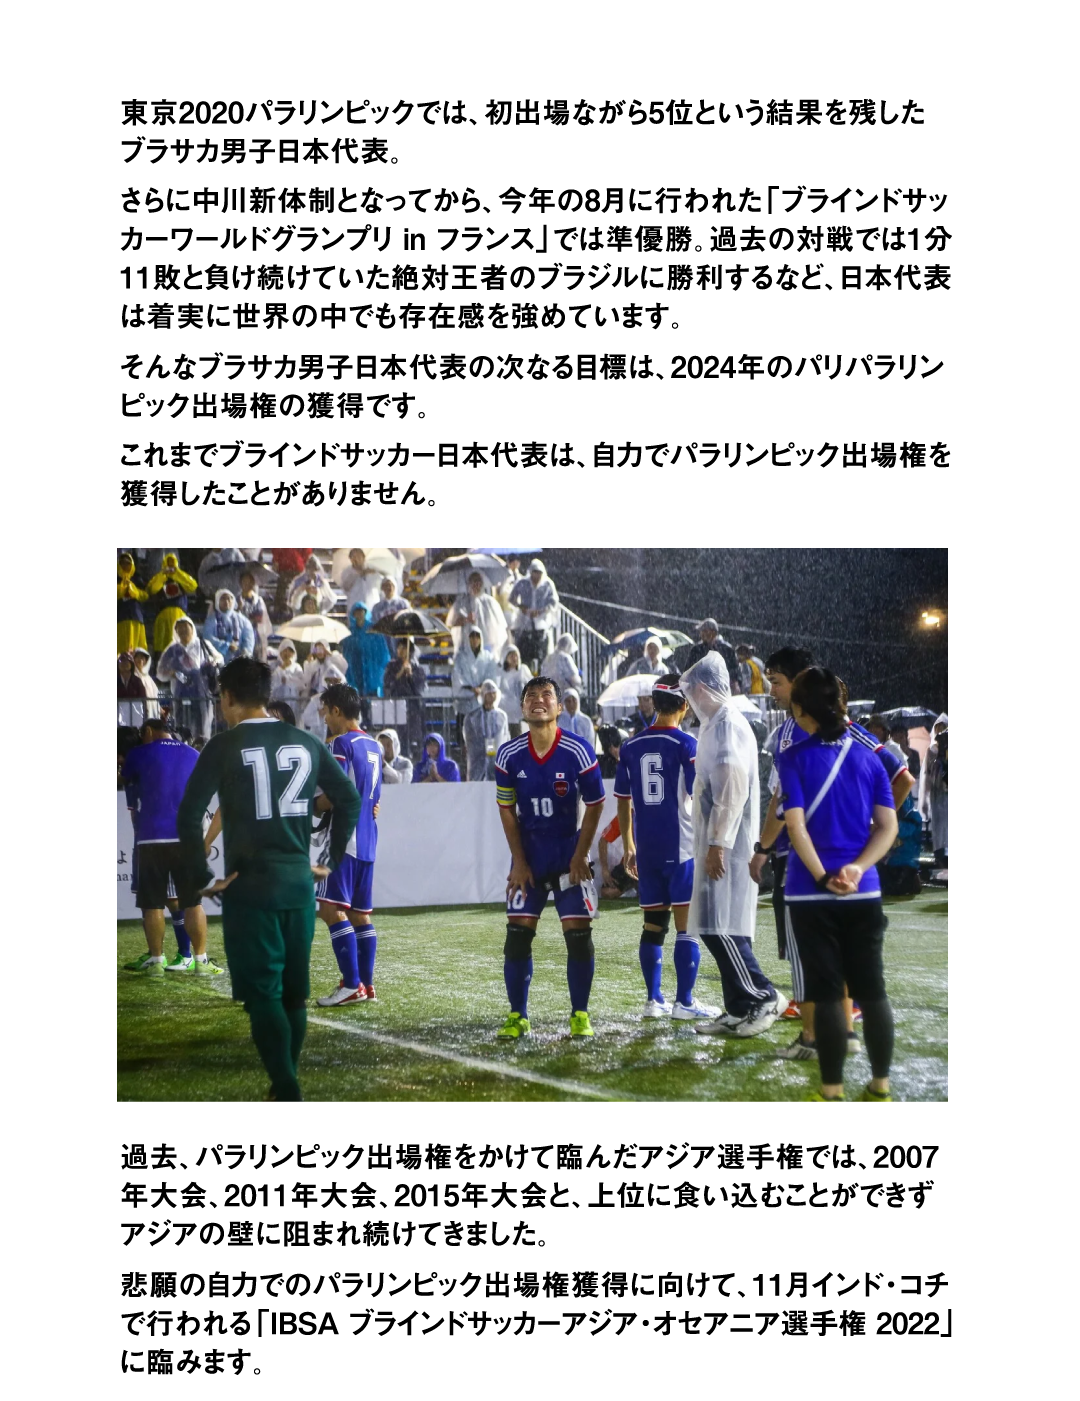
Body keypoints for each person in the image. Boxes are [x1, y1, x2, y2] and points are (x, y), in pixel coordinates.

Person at [176, 658, 361, 1103]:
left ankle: (286, 1086)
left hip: (250, 888)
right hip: (298, 886)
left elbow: (187, 815)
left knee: (263, 997)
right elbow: (348, 800)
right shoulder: (306, 740)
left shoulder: (222, 746)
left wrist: (202, 876)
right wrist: (330, 859)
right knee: (294, 997)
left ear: (227, 698)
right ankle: (284, 1085)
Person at [752, 648, 914, 1060]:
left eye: (777, 682)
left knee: (814, 958)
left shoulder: (816, 733)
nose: (772, 691)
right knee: (840, 959)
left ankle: (812, 1037)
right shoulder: (829, 731)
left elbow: (781, 806)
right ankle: (845, 1034)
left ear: (800, 683)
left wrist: (763, 848)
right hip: (846, 871)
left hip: (810, 866)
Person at [776, 667, 899, 1101]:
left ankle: (831, 1090)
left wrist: (823, 875)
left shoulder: (792, 757)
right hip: (863, 892)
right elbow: (887, 827)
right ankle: (880, 1084)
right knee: (872, 988)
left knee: (827, 992)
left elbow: (796, 829)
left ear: (800, 710)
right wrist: (859, 868)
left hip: (811, 894)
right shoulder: (870, 758)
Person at [680, 652, 788, 1037]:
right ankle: (738, 1005)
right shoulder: (713, 724)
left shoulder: (727, 725)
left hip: (727, 843)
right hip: (716, 840)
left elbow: (731, 788)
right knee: (714, 925)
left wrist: (718, 843)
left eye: (692, 689)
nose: (689, 697)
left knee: (720, 927)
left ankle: (763, 995)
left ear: (705, 688)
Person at [494, 676, 606, 1040]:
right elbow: (506, 809)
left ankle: (579, 1015)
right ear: (523, 708)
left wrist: (581, 854)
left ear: (560, 707)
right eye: (531, 696)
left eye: (546, 695)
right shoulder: (508, 754)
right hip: (529, 857)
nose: (538, 701)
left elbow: (596, 802)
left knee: (577, 936)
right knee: (516, 936)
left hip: (567, 855)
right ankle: (517, 1015)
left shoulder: (578, 750)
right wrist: (519, 861)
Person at [617, 675, 716, 1019]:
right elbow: (700, 798)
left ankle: (653, 999)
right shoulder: (687, 745)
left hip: (647, 849)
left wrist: (628, 844)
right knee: (687, 927)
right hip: (682, 846)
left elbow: (623, 800)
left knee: (653, 926)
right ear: (684, 706)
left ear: (655, 704)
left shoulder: (630, 746)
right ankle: (684, 1002)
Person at [121, 716, 222, 976]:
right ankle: (200, 960)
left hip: (150, 838)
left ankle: (156, 960)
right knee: (193, 902)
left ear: (149, 731)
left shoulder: (138, 753)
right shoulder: (193, 753)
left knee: (152, 904)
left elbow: (125, 779)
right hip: (186, 837)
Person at [311, 683, 384, 1007]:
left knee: (330, 909)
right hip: (367, 840)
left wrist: (311, 805)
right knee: (359, 914)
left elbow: (337, 793)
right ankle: (365, 985)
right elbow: (375, 801)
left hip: (343, 840)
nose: (325, 718)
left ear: (337, 711)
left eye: (326, 711)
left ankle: (352, 984)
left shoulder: (341, 743)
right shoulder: (374, 745)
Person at [156, 615, 224, 744]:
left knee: (203, 727)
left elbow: (219, 658)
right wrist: (172, 673)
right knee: (182, 727)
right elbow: (160, 672)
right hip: (180, 694)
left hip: (202, 694)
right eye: (179, 629)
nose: (183, 631)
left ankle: (202, 754)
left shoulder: (203, 644)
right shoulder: (172, 649)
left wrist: (213, 661)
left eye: (185, 627)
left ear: (192, 628)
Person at [452, 626, 499, 746]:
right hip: (465, 704)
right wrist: (471, 689)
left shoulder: (488, 657)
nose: (474, 640)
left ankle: (490, 762)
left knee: (487, 736)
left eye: (477, 636)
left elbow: (492, 676)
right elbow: (458, 678)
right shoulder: (460, 657)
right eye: (472, 636)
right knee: (466, 739)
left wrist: (482, 688)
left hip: (483, 704)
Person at [509, 559, 558, 669]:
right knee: (524, 653)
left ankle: (541, 674)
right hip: (524, 623)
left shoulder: (548, 584)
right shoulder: (522, 583)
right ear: (530, 573)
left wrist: (542, 610)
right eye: (534, 573)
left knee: (541, 654)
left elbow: (554, 602)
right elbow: (511, 598)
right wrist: (521, 606)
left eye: (539, 573)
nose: (537, 576)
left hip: (541, 624)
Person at [147, 553, 198, 655]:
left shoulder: (181, 577)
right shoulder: (159, 577)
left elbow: (193, 586)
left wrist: (177, 573)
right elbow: (151, 589)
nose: (170, 566)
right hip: (162, 616)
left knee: (181, 645)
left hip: (179, 616)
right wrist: (163, 575)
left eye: (172, 563)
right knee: (162, 648)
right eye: (168, 563)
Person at [448, 571, 508, 657]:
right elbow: (452, 623)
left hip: (486, 646)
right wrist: (466, 619)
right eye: (474, 581)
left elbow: (498, 627)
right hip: (466, 645)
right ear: (469, 584)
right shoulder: (461, 603)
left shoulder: (490, 603)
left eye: (479, 581)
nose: (476, 584)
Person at [342, 601, 392, 699]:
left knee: (372, 703)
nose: (359, 614)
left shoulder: (374, 630)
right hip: (355, 673)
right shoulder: (349, 633)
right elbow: (346, 653)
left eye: (361, 611)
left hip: (373, 674)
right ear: (353, 614)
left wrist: (380, 670)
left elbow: (383, 652)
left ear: (365, 613)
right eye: (356, 612)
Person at [463, 678, 510, 781]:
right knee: (477, 787)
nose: (492, 696)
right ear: (483, 695)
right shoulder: (472, 717)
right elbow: (470, 739)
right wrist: (482, 749)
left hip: (497, 760)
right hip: (477, 758)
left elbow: (505, 737)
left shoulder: (502, 716)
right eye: (488, 694)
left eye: (494, 693)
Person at [919, 713, 949, 866]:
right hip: (937, 791)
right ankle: (940, 852)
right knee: (939, 822)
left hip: (945, 790)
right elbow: (926, 773)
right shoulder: (931, 750)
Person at [684, 619, 740, 692]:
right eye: (701, 631)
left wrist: (734, 683)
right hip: (700, 690)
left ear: (713, 633)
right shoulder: (696, 650)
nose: (701, 634)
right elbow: (688, 670)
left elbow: (734, 670)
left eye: (704, 631)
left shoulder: (727, 650)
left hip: (722, 690)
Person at [203, 589, 255, 661]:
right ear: (217, 601)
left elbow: (249, 639)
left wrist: (246, 653)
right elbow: (207, 638)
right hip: (217, 660)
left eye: (229, 598)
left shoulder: (243, 620)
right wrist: (226, 646)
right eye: (223, 598)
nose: (226, 601)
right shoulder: (211, 620)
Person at [301, 663, 347, 737]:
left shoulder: (347, 699)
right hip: (321, 740)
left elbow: (357, 719)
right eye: (329, 681)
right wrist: (319, 714)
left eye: (335, 681)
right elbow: (305, 718)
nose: (332, 684)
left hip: (341, 739)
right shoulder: (317, 699)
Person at [116, 552, 149, 655]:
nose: (125, 566)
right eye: (123, 563)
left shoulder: (137, 579)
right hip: (120, 619)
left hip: (136, 618)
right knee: (121, 651)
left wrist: (135, 592)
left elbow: (145, 595)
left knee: (138, 651)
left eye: (128, 563)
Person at [597, 814, 637, 900]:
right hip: (630, 864)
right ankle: (634, 885)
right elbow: (603, 841)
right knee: (607, 892)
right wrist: (605, 869)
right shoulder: (626, 814)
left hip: (652, 864)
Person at [268, 547, 313, 620]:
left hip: (292, 566)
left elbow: (307, 552)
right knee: (285, 591)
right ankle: (284, 611)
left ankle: (285, 612)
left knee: (287, 591)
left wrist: (276, 559)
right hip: (291, 565)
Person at [238, 571, 273, 661]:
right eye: (244, 582)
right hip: (239, 633)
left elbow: (259, 617)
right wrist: (239, 608)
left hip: (254, 632)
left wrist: (245, 616)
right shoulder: (236, 599)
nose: (247, 584)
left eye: (249, 582)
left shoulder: (258, 600)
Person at [499, 646, 533, 737]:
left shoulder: (523, 670)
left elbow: (532, 686)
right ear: (505, 657)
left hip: (521, 713)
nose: (514, 658)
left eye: (516, 655)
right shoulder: (500, 673)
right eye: (511, 655)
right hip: (506, 712)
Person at [341, 548, 382, 616]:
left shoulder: (372, 569)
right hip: (355, 606)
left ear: (363, 557)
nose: (356, 559)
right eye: (353, 557)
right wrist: (358, 574)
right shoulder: (346, 572)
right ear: (350, 559)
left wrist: (371, 573)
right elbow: (346, 587)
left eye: (358, 556)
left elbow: (379, 585)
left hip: (371, 605)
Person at [270, 641, 305, 705]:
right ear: (280, 653)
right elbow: (272, 685)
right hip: (278, 701)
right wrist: (281, 668)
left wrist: (287, 679)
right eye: (285, 651)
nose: (287, 653)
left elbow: (302, 685)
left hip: (293, 702)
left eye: (290, 651)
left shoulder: (297, 667)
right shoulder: (274, 666)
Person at [117, 652, 146, 728]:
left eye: (127, 661)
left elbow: (143, 697)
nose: (124, 664)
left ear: (131, 664)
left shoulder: (137, 681)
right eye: (121, 661)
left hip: (135, 715)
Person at [132, 647, 160, 720]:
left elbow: (155, 695)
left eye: (142, 658)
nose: (140, 660)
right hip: (137, 711)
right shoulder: (132, 677)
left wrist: (159, 708)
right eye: (137, 657)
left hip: (151, 712)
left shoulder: (148, 678)